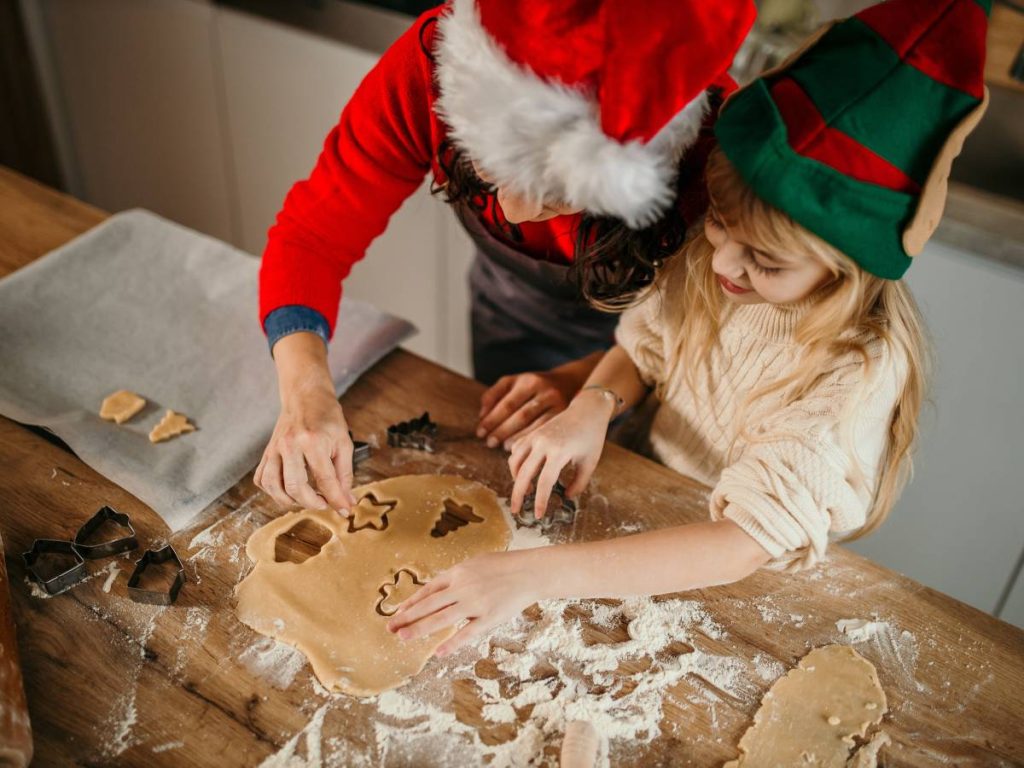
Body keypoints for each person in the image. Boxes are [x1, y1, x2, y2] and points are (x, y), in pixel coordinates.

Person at [386, 0, 990, 655]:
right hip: (640, 519)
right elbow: (646, 350)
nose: (725, 262)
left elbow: (739, 544)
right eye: (722, 226)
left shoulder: (856, 369)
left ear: (848, 271)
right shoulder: (715, 261)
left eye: (765, 261)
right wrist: (591, 401)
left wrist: (527, 576)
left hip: (737, 590)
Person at [253, 0, 756, 512]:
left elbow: (708, 341)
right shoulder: (436, 59)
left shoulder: (719, 152)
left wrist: (583, 384)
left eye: (560, 196)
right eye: (489, 170)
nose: (513, 213)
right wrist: (307, 392)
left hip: (662, 368)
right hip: (508, 314)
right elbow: (313, 235)